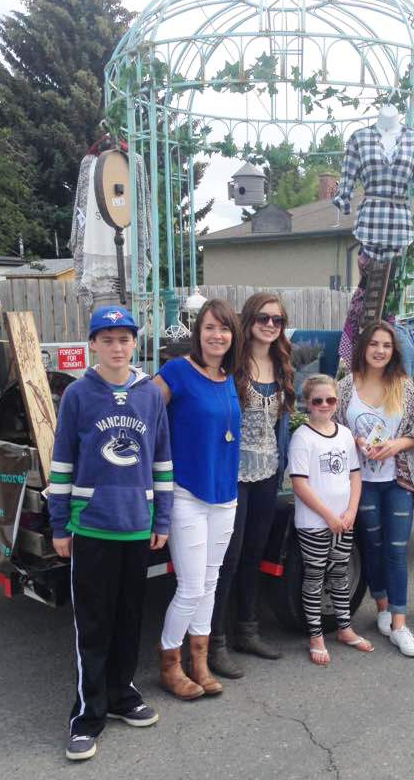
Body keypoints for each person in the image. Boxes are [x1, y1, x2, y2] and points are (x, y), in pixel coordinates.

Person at [48, 306, 173, 762]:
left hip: (137, 526)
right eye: (108, 339)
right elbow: (61, 462)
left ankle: (122, 695)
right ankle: (86, 715)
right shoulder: (79, 395)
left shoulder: (149, 395)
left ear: (134, 343)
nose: (118, 347)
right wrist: (59, 523)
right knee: (94, 624)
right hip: (93, 525)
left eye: (125, 339)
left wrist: (162, 519)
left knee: (129, 619)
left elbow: (161, 459)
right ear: (93, 345)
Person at [153, 299, 242, 699]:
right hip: (187, 492)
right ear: (198, 332)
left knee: (210, 581)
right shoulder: (176, 371)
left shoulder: (228, 377)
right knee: (189, 586)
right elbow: (144, 416)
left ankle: (200, 663)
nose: (216, 335)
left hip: (224, 495)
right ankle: (169, 665)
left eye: (223, 329)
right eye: (209, 328)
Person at [208, 292, 295, 678]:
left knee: (253, 553)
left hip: (267, 473)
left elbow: (281, 424)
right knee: (229, 557)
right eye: (263, 317)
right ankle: (214, 642)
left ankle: (248, 630)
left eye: (277, 320)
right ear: (249, 319)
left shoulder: (281, 363)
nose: (270, 325)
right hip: (233, 473)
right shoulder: (232, 362)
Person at [335, 321, 414, 657]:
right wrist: (355, 440)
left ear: (394, 351)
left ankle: (401, 625)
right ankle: (383, 609)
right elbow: (334, 428)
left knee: (396, 549)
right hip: (362, 482)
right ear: (364, 348)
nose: (379, 350)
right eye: (374, 344)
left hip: (397, 480)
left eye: (386, 345)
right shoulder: (346, 386)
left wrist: (395, 445)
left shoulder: (403, 385)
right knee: (372, 548)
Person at [288, 375, 372, 665]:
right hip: (315, 523)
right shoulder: (302, 437)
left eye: (330, 400)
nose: (325, 405)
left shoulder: (345, 434)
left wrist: (350, 513)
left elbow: (354, 476)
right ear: (307, 403)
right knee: (314, 576)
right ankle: (316, 634)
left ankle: (344, 628)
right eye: (318, 400)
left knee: (339, 574)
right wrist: (328, 517)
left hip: (343, 520)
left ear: (337, 402)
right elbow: (300, 484)